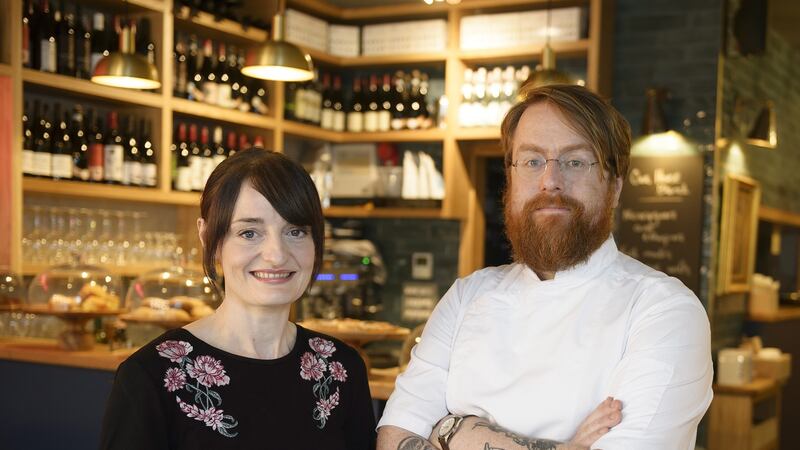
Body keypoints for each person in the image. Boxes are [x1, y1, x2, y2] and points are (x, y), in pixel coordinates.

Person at [377, 84, 713, 450]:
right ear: (511, 178)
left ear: (615, 186)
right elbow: (396, 436)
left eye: (575, 161)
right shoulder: (465, 297)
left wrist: (453, 430)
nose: (550, 181)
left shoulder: (665, 311)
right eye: (532, 161)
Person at [100, 149, 376, 449]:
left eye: (295, 231)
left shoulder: (340, 367)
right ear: (209, 240)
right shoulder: (149, 377)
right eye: (249, 233)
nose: (276, 255)